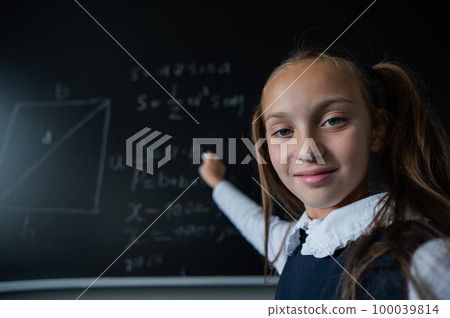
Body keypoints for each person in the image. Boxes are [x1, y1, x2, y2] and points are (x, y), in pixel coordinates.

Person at [198, 45, 450, 300]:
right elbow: (251, 221)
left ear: (377, 130)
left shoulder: (426, 262)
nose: (307, 151)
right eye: (283, 131)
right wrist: (217, 182)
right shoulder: (300, 247)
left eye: (333, 120)